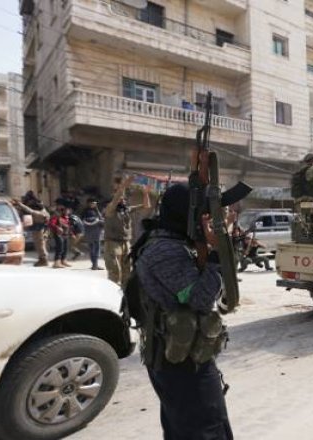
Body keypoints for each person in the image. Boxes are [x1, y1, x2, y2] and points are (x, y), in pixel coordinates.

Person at [129, 183, 236, 439]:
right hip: (179, 363)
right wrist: (214, 254)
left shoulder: (173, 241)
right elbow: (199, 298)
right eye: (203, 215)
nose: (207, 221)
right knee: (204, 430)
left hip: (180, 356)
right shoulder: (166, 250)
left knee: (189, 428)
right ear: (186, 215)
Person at [104, 176, 151, 287]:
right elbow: (116, 198)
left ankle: (125, 294)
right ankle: (111, 294)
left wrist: (145, 193)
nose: (123, 199)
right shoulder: (110, 209)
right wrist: (123, 186)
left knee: (127, 272)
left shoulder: (126, 209)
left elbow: (146, 205)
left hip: (126, 242)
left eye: (124, 198)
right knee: (115, 272)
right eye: (121, 198)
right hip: (113, 243)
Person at [14, 192, 51, 267]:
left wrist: (20, 204)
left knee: (40, 244)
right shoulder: (41, 207)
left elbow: (30, 211)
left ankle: (44, 260)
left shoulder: (39, 211)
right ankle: (42, 259)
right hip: (41, 227)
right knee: (41, 244)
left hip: (39, 228)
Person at [82, 198, 105, 270]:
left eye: (95, 203)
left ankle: (95, 264)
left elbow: (101, 218)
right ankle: (95, 264)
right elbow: (86, 220)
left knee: (95, 248)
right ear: (89, 203)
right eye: (93, 203)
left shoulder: (96, 210)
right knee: (94, 248)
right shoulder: (87, 211)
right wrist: (97, 220)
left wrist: (97, 210)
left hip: (95, 232)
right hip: (92, 232)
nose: (94, 205)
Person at [48, 204, 71, 269]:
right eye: (66, 210)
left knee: (65, 248)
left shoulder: (66, 217)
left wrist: (71, 233)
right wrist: (57, 227)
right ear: (62, 211)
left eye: (68, 210)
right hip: (58, 234)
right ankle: (56, 262)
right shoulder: (56, 216)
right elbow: (51, 224)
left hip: (65, 234)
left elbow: (67, 225)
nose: (68, 212)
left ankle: (63, 260)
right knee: (60, 248)